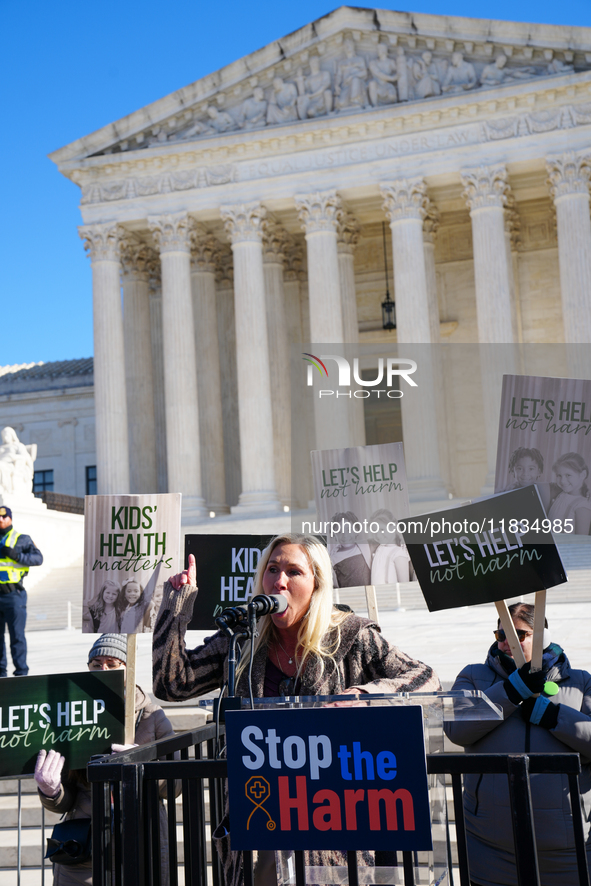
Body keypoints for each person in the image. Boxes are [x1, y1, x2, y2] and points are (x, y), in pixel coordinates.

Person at [153, 533, 440, 886]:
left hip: (333, 836)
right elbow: (173, 683)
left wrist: (367, 694)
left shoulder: (351, 636)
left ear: (316, 582)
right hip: (259, 834)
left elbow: (426, 678)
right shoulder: (242, 640)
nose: (279, 581)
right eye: (272, 569)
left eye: (294, 571)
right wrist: (177, 605)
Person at [445, 602, 591, 886]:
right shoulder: (473, 677)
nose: (506, 643)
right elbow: (456, 727)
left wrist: (555, 716)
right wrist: (510, 692)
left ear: (542, 635)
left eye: (518, 635)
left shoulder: (580, 682)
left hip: (568, 850)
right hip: (489, 846)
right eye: (501, 635)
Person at [35, 633, 178, 886]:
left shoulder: (151, 716)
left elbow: (175, 785)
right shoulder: (71, 714)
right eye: (96, 664)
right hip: (84, 850)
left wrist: (139, 767)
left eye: (112, 665)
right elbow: (66, 799)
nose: (103, 670)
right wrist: (51, 791)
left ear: (127, 669)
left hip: (141, 843)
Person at [0, 505, 43, 676]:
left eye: (4, 517)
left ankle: (21, 673)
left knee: (17, 636)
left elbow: (38, 558)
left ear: (10, 518)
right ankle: (1, 673)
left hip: (13, 595)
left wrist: (17, 556)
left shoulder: (22, 539)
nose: (0, 520)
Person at [547, 452, 591, 535]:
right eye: (559, 475)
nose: (562, 481)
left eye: (568, 475)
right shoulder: (561, 495)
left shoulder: (582, 506)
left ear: (583, 475)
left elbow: (581, 541)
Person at [368, 509, 411, 584]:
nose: (378, 535)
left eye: (382, 530)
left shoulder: (399, 553)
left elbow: (405, 584)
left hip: (391, 595)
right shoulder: (379, 548)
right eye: (374, 531)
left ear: (393, 527)